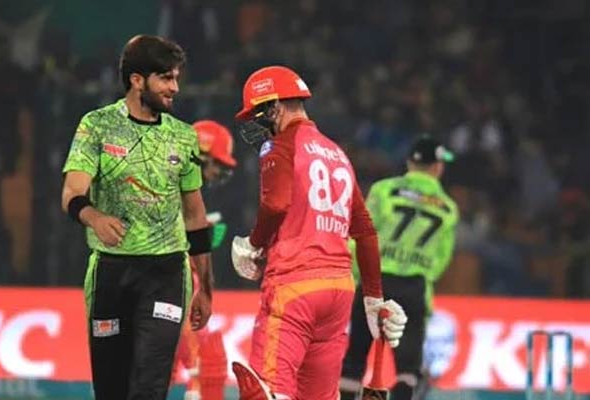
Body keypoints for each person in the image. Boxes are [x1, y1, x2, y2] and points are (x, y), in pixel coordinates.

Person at [228, 65, 408, 400]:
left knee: (268, 392)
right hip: (338, 292)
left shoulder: (279, 147)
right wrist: (373, 299)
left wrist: (252, 245)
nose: (256, 124)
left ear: (276, 107)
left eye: (258, 114)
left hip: (294, 288)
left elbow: (276, 205)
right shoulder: (337, 154)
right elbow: (365, 231)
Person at [61, 35, 214, 400]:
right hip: (110, 274)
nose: (174, 88)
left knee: (150, 384)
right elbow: (71, 192)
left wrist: (206, 289)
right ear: (137, 80)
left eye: (176, 78)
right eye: (165, 78)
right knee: (112, 388)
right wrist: (94, 216)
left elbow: (195, 215)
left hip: (166, 272)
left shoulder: (183, 136)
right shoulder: (96, 126)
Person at [340, 136, 459, 400]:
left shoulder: (384, 190)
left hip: (376, 281)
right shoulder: (449, 209)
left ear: (409, 162)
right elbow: (441, 259)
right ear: (438, 167)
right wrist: (420, 271)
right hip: (414, 288)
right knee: (408, 368)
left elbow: (361, 235)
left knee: (355, 358)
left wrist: (359, 275)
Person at [174, 120, 236, 400]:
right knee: (202, 362)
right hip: (170, 282)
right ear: (200, 155)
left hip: (173, 281)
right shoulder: (175, 187)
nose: (216, 175)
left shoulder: (186, 191)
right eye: (216, 166)